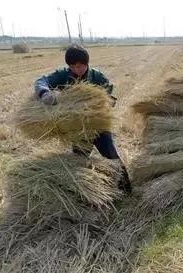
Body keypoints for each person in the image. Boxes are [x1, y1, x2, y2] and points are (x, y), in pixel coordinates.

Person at [34, 43, 132, 194]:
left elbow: (110, 91)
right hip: (77, 127)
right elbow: (41, 81)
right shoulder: (63, 75)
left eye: (80, 66)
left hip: (98, 125)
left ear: (87, 64)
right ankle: (84, 191)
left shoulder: (97, 76)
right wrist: (45, 93)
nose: (77, 70)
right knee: (79, 160)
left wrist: (108, 100)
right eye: (73, 67)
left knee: (110, 155)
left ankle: (125, 189)